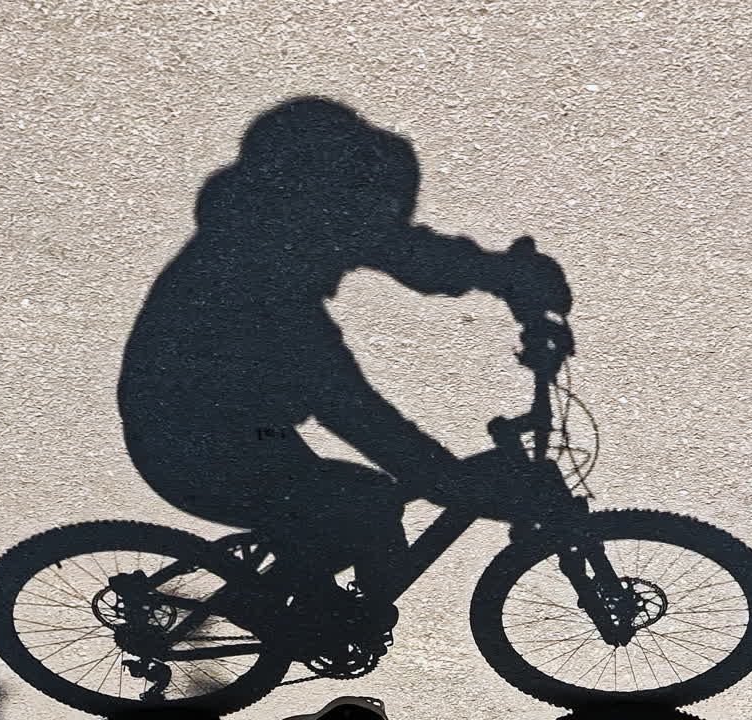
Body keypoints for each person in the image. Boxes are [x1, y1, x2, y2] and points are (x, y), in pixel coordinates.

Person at [116, 97, 571, 609]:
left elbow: (401, 250)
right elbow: (352, 409)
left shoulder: (276, 233)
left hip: (224, 433)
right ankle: (290, 614)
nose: (372, 219)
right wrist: (446, 481)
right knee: (363, 505)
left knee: (358, 500)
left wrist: (506, 277)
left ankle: (290, 601)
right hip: (193, 448)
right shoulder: (260, 294)